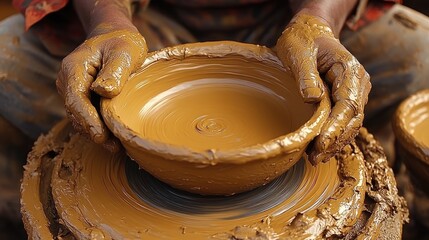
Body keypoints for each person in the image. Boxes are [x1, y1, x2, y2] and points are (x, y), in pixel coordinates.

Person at [1, 0, 429, 237]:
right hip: (145, 20)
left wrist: (318, 21)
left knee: (419, 53)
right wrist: (107, 24)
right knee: (7, 61)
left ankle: (387, 193)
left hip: (293, 23)